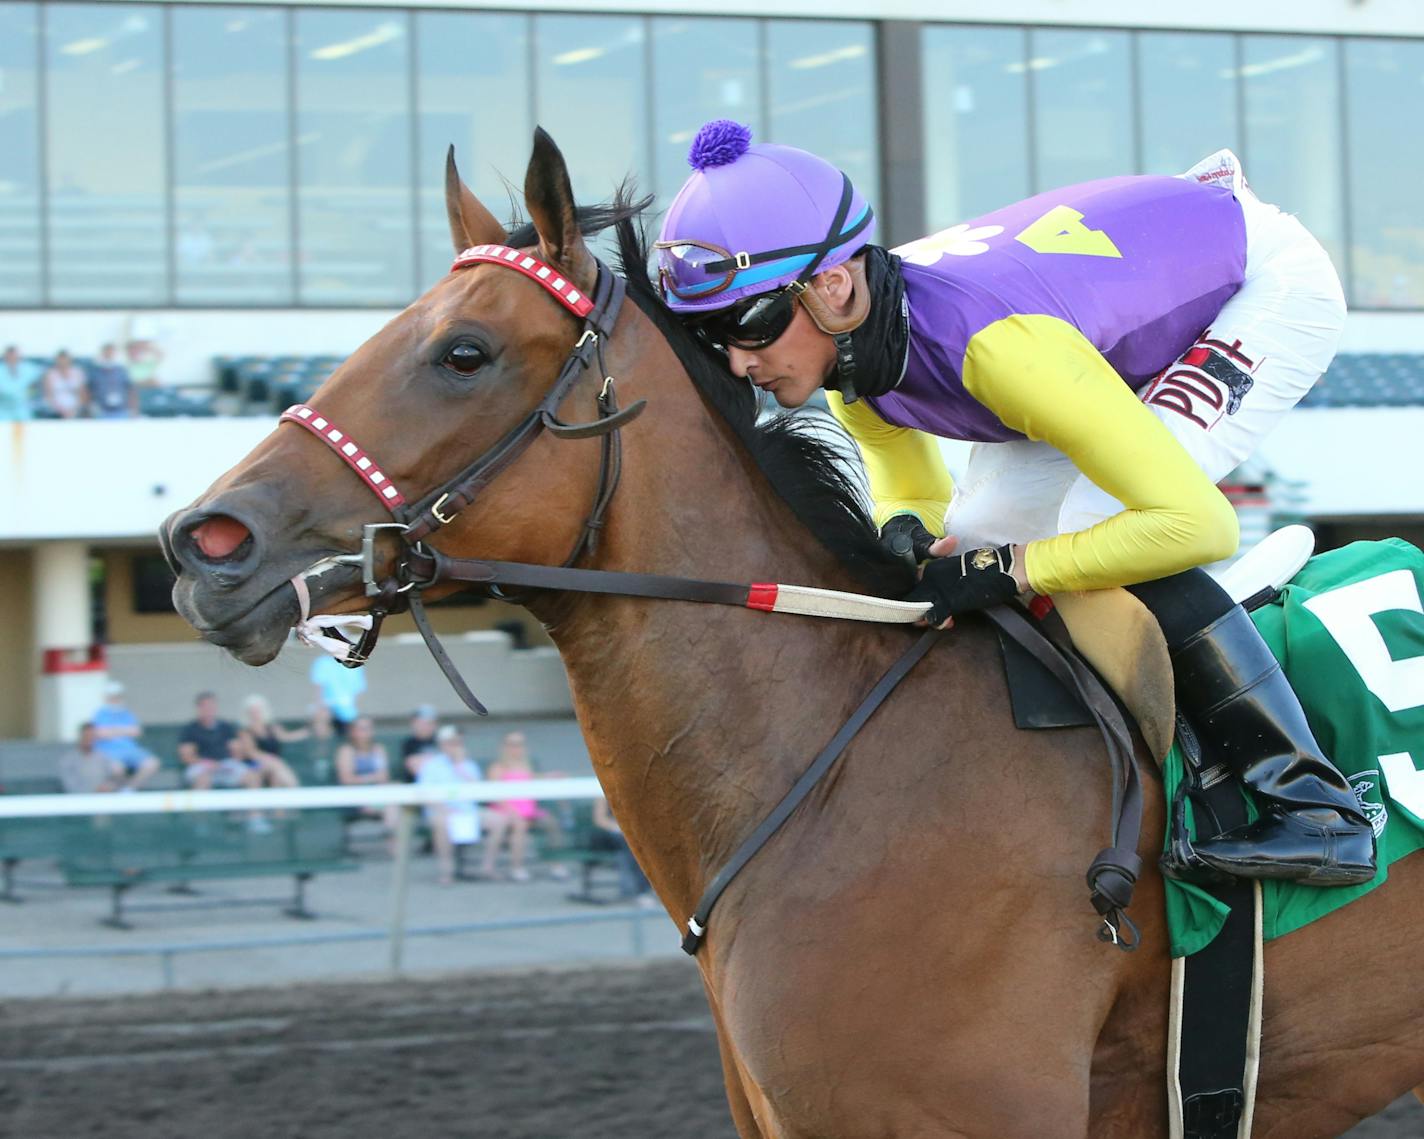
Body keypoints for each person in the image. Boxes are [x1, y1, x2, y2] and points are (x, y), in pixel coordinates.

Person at [654, 121, 1374, 887]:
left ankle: (1317, 808)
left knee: (1095, 522)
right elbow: (916, 491)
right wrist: (908, 529)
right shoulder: (856, 355)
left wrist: (1016, 569)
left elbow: (1197, 522)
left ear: (833, 285)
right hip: (1090, 312)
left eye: (749, 323)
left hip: (1258, 282)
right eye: (710, 335)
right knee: (974, 532)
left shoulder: (998, 353)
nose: (738, 359)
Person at [482, 731, 567, 882]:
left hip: (529, 809)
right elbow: (495, 794)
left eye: (520, 744)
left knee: (551, 822)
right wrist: (512, 812)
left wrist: (550, 776)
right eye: (512, 744)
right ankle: (517, 867)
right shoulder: (498, 767)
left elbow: (534, 779)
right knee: (520, 825)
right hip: (506, 810)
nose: (516, 748)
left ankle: (556, 862)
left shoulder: (525, 765)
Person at [415, 725, 484, 885]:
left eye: (457, 743)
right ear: (442, 744)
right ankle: (446, 870)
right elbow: (425, 793)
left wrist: (459, 765)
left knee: (498, 821)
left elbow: (478, 789)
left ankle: (486, 867)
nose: (454, 746)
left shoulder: (468, 764)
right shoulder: (430, 765)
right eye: (450, 743)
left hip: (469, 810)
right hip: (440, 811)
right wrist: (445, 809)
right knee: (443, 823)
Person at [177, 691, 257, 790]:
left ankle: (253, 806)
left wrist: (230, 761)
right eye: (205, 707)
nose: (209, 710)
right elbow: (186, 757)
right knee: (203, 780)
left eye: (212, 706)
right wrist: (207, 763)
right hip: (201, 766)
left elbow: (237, 751)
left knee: (252, 777)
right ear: (198, 708)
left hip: (225, 765)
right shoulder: (190, 729)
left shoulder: (225, 726)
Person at [89, 681, 160, 791]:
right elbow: (100, 733)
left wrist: (113, 730)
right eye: (112, 697)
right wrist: (124, 730)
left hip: (130, 750)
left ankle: (129, 789)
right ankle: (120, 789)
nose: (115, 699)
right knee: (117, 768)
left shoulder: (126, 713)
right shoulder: (100, 713)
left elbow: (137, 732)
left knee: (152, 763)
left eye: (117, 696)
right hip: (108, 752)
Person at [334, 716, 397, 834]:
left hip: (377, 795)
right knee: (392, 808)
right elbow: (346, 779)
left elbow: (384, 777)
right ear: (353, 731)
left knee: (394, 800)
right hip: (354, 799)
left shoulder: (378, 749)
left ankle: (393, 840)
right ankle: (393, 841)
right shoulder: (346, 750)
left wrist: (363, 779)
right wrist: (371, 778)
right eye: (361, 729)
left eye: (368, 728)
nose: (365, 732)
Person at [591, 797, 654, 905]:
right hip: (608, 836)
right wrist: (619, 827)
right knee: (632, 846)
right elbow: (599, 820)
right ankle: (640, 891)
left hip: (630, 834)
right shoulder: (602, 794)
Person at [58, 723, 126, 794]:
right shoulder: (68, 760)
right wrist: (95, 790)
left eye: (92, 736)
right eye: (86, 736)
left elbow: (116, 779)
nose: (89, 739)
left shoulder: (103, 757)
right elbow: (69, 786)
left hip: (104, 799)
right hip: (79, 800)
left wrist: (110, 786)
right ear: (80, 737)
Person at [310, 653, 366, 738]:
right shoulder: (322, 662)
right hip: (327, 709)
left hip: (348, 712)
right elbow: (319, 689)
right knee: (321, 729)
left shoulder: (355, 663)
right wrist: (321, 711)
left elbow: (358, 691)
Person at [86, 343, 137, 419]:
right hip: (102, 411)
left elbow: (131, 389)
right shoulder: (95, 371)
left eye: (111, 352)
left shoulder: (122, 371)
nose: (109, 355)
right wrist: (89, 408)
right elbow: (88, 390)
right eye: (107, 352)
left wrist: (133, 408)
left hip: (121, 410)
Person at [398, 705, 440, 782]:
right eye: (422, 723)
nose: (426, 727)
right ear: (414, 723)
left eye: (430, 723)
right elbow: (413, 768)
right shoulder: (409, 743)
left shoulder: (440, 741)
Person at [41, 350, 87, 419]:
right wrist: (60, 410)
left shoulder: (78, 373)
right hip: (56, 410)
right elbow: (48, 395)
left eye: (65, 359)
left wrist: (74, 409)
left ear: (70, 360)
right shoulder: (50, 374)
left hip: (75, 409)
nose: (63, 362)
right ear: (56, 360)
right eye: (60, 360)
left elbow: (83, 393)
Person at [0, 345, 40, 420]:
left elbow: (35, 386)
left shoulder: (30, 369)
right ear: (5, 357)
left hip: (23, 408)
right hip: (3, 408)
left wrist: (29, 393)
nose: (12, 359)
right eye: (10, 356)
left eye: (14, 356)